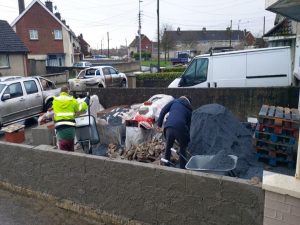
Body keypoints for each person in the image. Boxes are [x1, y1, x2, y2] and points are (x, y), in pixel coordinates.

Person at [157, 96, 192, 169]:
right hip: (180, 129)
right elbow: (188, 126)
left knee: (168, 147)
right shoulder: (189, 110)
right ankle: (182, 169)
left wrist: (159, 124)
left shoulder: (174, 102)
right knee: (183, 149)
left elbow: (163, 110)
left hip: (168, 127)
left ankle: (166, 167)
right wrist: (187, 139)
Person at [52, 85, 89, 151]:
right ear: (68, 92)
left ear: (60, 92)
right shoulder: (72, 100)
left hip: (60, 129)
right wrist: (86, 102)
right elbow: (80, 108)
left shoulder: (55, 101)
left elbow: (55, 113)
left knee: (62, 147)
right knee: (70, 147)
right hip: (70, 128)